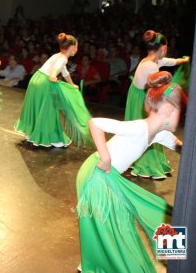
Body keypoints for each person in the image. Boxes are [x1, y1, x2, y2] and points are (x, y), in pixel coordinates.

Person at [76, 71, 185, 272]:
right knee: (114, 230)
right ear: (169, 109)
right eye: (180, 109)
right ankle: (96, 265)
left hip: (109, 177)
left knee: (158, 213)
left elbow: (181, 147)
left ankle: (178, 259)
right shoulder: (139, 128)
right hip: (97, 175)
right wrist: (106, 157)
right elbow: (95, 123)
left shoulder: (159, 134)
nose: (181, 115)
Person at [125, 30, 189, 179]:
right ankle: (146, 164)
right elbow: (156, 87)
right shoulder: (151, 66)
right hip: (140, 99)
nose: (166, 52)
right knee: (149, 131)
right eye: (166, 49)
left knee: (148, 130)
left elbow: (169, 61)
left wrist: (182, 60)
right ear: (162, 49)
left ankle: (138, 157)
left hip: (137, 94)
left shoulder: (151, 60)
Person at [15, 33, 93, 148]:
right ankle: (49, 137)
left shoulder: (58, 55)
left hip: (36, 79)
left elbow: (65, 72)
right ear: (71, 48)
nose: (77, 49)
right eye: (77, 46)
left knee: (38, 108)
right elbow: (56, 68)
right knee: (48, 110)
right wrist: (53, 75)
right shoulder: (62, 58)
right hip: (45, 82)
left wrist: (72, 84)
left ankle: (32, 133)